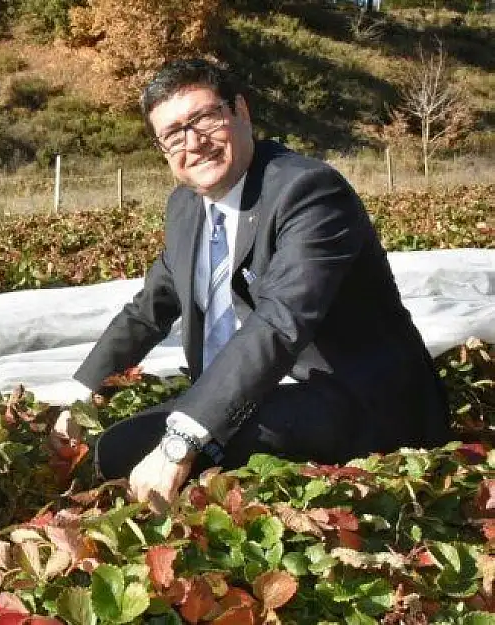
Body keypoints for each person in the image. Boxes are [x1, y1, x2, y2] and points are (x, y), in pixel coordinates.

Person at [75, 59, 451, 511]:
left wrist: (181, 442)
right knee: (118, 446)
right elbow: (151, 306)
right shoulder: (186, 206)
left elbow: (280, 320)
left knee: (169, 455)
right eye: (173, 135)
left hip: (352, 397)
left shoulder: (308, 191)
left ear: (241, 112)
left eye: (204, 119)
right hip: (261, 391)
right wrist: (83, 394)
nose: (193, 144)